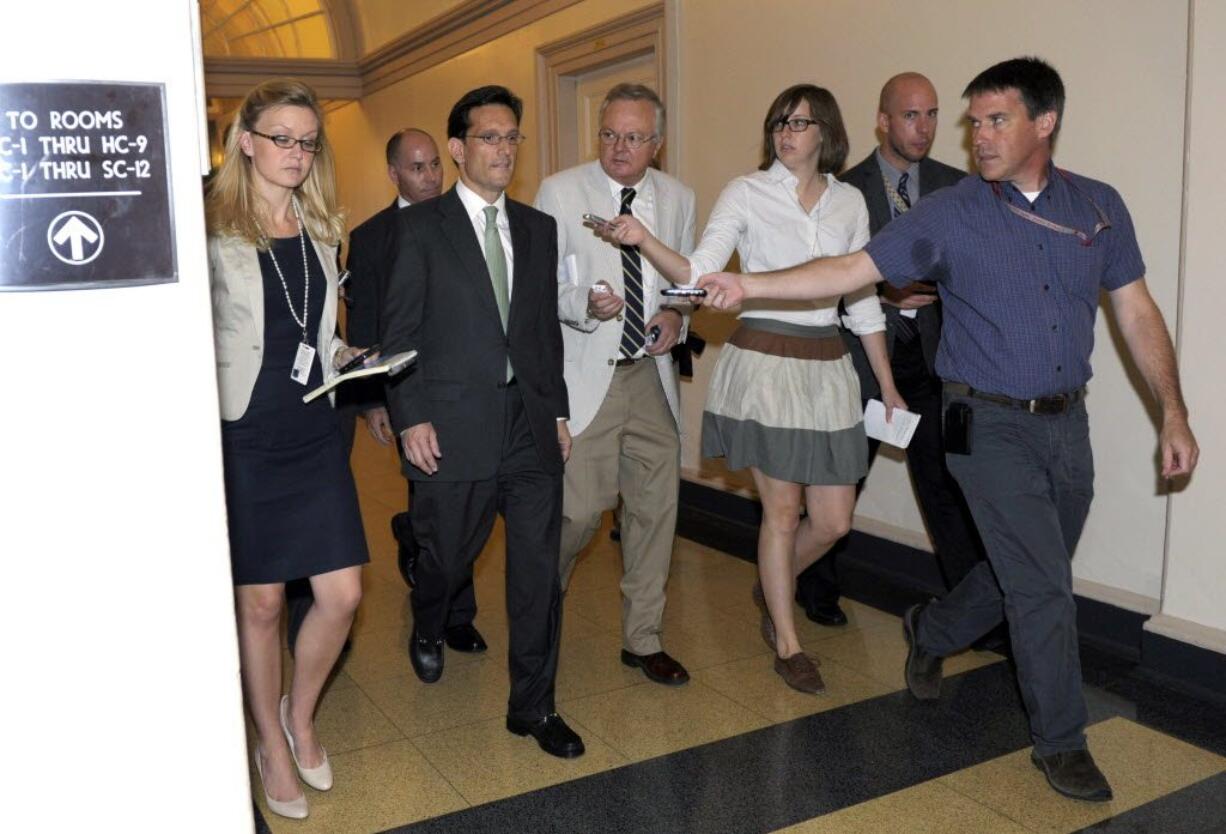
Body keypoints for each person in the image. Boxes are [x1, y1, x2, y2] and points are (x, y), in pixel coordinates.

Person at [697, 57, 1198, 802]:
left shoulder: (1097, 207)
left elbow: (1135, 309)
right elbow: (849, 270)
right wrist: (750, 285)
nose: (977, 136)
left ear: (1044, 123)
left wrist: (1174, 409)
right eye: (975, 121)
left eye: (997, 120)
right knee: (1043, 587)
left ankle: (931, 629)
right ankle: (1061, 741)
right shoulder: (950, 211)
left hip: (1067, 425)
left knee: (1023, 569)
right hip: (983, 424)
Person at [601, 84, 905, 694]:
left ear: (826, 132)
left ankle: (773, 584)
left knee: (835, 520)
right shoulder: (747, 192)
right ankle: (789, 642)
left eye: (798, 123)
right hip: (764, 362)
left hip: (828, 367)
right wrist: (646, 241)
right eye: (778, 124)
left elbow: (863, 300)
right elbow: (699, 270)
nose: (785, 134)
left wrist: (890, 389)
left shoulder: (848, 202)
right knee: (783, 511)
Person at [381, 85, 584, 758]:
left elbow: (540, 334)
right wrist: (409, 416)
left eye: (511, 138)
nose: (503, 150)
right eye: (489, 138)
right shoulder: (418, 229)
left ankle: (533, 706)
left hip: (527, 423)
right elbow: (398, 332)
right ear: (459, 149)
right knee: (447, 556)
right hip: (451, 422)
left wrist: (556, 410)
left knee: (536, 570)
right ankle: (428, 612)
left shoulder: (537, 228)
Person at [206, 78, 369, 820]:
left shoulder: (324, 224)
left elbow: (314, 329)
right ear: (246, 141)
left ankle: (301, 716)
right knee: (264, 602)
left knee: (342, 595)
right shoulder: (212, 228)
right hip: (242, 432)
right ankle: (270, 740)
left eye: (308, 141)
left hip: (311, 429)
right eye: (282, 138)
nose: (297, 153)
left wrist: (347, 354)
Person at [795, 73, 987, 628]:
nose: (922, 127)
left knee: (946, 485)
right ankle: (816, 588)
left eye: (930, 114)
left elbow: (975, 271)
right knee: (841, 478)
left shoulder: (958, 187)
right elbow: (820, 278)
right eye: (910, 116)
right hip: (860, 358)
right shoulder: (842, 190)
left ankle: (971, 613)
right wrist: (881, 287)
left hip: (932, 361)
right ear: (882, 120)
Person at [534, 83, 695, 686]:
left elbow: (686, 280)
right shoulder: (560, 191)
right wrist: (585, 305)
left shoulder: (678, 198)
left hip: (650, 376)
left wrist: (678, 317)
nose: (618, 148)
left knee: (655, 512)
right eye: (609, 135)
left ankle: (643, 638)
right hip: (585, 377)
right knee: (575, 514)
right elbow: (539, 288)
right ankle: (539, 610)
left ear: (657, 143)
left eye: (633, 137)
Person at [342, 128, 487, 652]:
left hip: (464, 388)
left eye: (435, 166)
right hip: (408, 389)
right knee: (436, 508)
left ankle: (456, 615)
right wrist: (374, 401)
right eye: (418, 168)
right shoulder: (372, 236)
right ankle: (440, 604)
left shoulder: (462, 220)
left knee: (459, 509)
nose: (430, 177)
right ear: (394, 174)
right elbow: (365, 324)